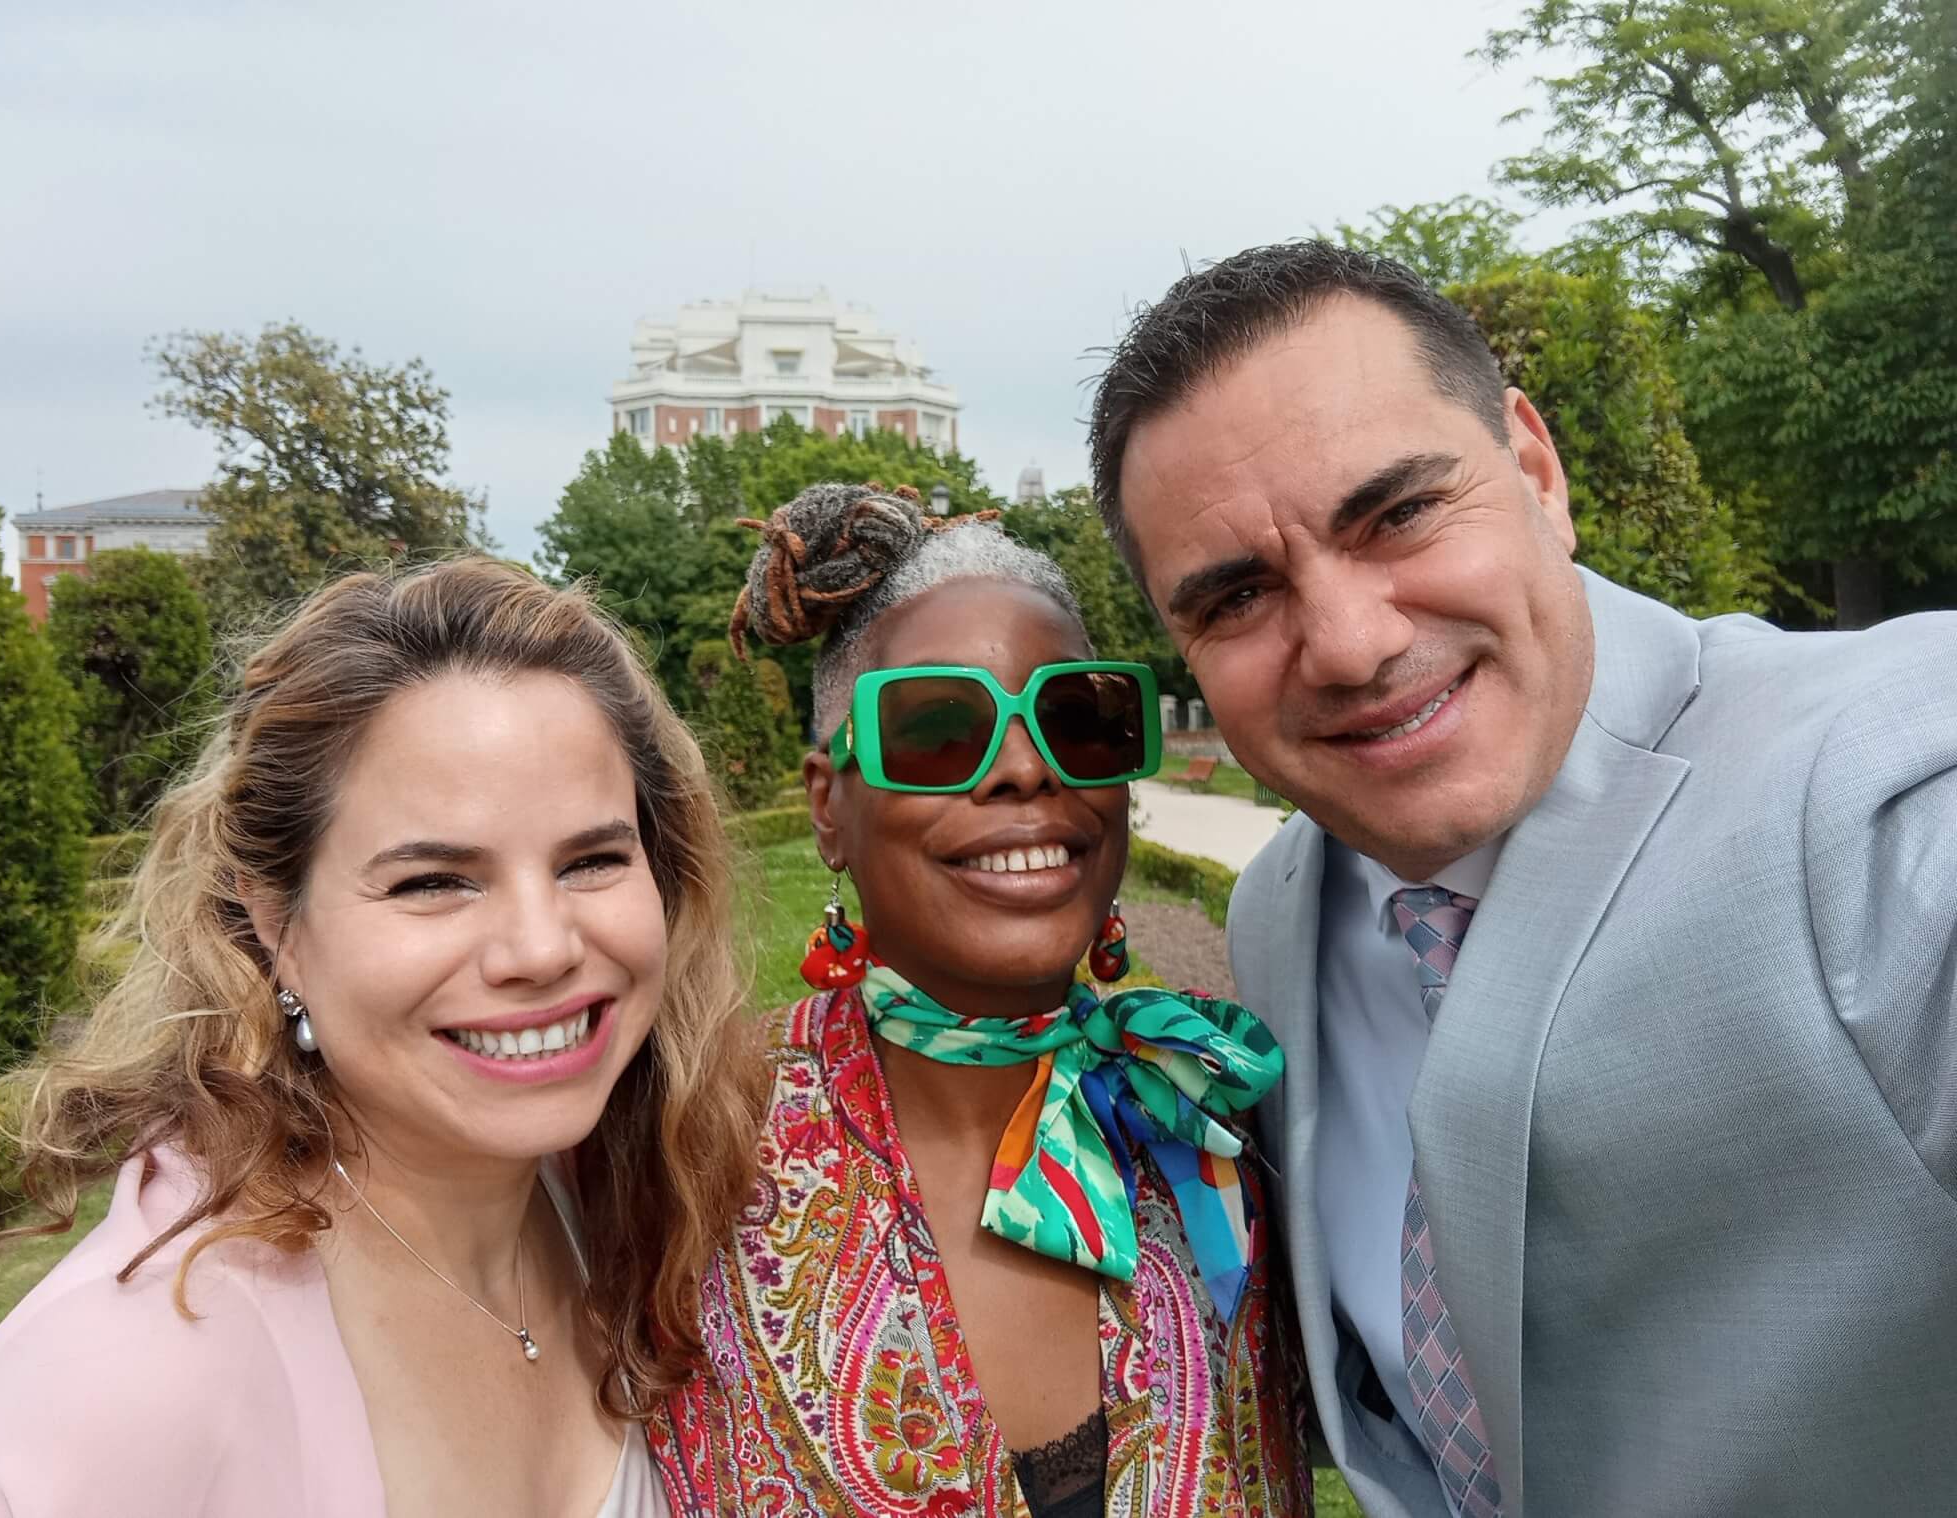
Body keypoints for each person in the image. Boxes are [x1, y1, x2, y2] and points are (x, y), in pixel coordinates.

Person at [1083, 240, 1957, 1517]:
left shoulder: (1885, 790)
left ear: (1535, 472)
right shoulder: (1280, 907)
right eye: (1236, 597)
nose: (1348, 644)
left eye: (1396, 514)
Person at [0, 557, 761, 1518]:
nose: (541, 947)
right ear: (276, 925)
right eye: (434, 881)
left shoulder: (613, 1200)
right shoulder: (127, 1379)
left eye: (593, 859)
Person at [649, 484, 1314, 1517]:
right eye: (934, 729)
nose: (1020, 769)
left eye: (1077, 721)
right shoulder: (682, 1152)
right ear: (830, 804)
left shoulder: (1212, 1110)